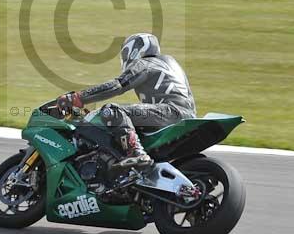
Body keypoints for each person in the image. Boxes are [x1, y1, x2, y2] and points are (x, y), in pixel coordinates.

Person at [56, 33, 196, 169]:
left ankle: (136, 153)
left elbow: (117, 85)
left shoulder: (146, 62)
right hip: (181, 115)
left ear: (135, 50)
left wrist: (79, 97)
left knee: (112, 110)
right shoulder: (168, 62)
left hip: (170, 112)